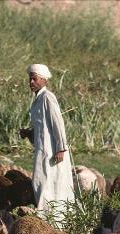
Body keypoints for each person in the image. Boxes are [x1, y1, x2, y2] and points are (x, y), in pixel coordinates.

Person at [19, 64, 74, 221]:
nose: (31, 82)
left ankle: (53, 221)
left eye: (34, 78)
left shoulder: (48, 98)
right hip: (42, 151)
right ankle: (47, 219)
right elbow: (43, 129)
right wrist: (29, 133)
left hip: (53, 152)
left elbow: (58, 123)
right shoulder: (37, 100)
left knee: (51, 185)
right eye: (30, 78)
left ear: (43, 80)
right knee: (42, 183)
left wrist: (61, 149)